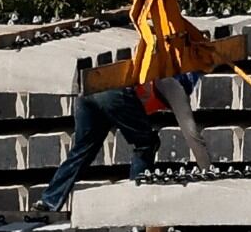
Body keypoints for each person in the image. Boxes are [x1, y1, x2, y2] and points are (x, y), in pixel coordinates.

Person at [37, 72, 212, 213]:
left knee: (82, 150)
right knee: (147, 143)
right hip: (113, 92)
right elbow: (192, 134)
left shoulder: (159, 73)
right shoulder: (174, 85)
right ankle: (135, 201)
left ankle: (49, 201)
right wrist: (208, 172)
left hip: (89, 88)